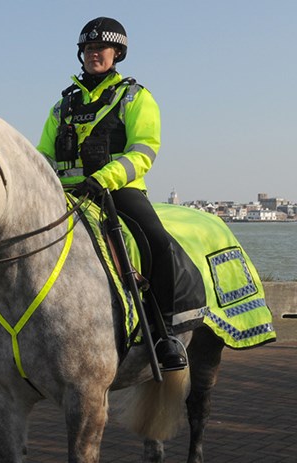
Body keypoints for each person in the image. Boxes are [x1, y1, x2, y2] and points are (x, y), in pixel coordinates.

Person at [38, 17, 187, 371]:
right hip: (66, 196)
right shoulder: (62, 107)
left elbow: (144, 150)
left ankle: (165, 333)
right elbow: (42, 154)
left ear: (116, 53)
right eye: (88, 49)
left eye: (101, 49)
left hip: (116, 192)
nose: (94, 54)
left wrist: (105, 178)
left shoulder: (135, 96)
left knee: (157, 243)